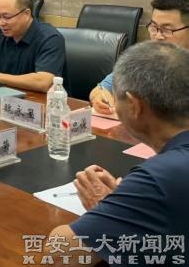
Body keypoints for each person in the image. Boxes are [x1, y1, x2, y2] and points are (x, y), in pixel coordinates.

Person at [46, 41, 189, 265]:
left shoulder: (158, 176)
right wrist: (128, 205)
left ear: (134, 105)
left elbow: (59, 254)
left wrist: (107, 208)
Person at [90, 0, 189, 115]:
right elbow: (101, 89)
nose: (158, 36)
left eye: (167, 30)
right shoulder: (144, 59)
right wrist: (100, 98)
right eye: (154, 28)